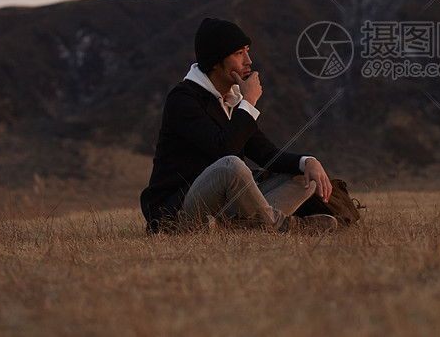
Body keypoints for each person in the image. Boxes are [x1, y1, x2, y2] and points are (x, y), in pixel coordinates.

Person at [140, 17, 336, 234]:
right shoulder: (184, 99)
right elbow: (224, 150)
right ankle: (286, 226)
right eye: (238, 53)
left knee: (304, 178)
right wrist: (249, 103)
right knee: (231, 166)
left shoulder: (230, 100)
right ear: (215, 61)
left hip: (220, 211)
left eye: (246, 50)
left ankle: (235, 228)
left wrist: (307, 162)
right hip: (179, 211)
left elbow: (265, 154)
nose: (248, 60)